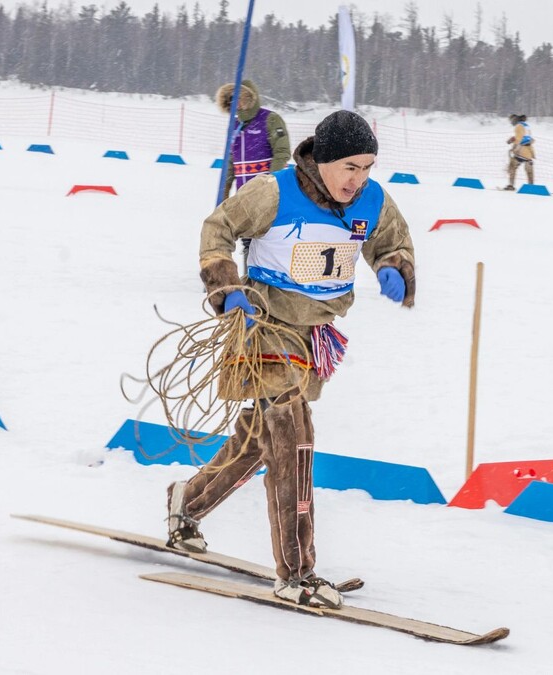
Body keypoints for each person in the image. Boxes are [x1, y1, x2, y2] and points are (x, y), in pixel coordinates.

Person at [166, 110, 416, 609]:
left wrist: (396, 268)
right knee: (292, 433)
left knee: (263, 440)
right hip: (262, 328)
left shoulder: (371, 199)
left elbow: (393, 242)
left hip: (312, 336)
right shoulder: (275, 192)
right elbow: (218, 227)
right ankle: (298, 572)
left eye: (367, 166)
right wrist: (227, 287)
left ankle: (186, 503)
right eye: (349, 166)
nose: (359, 178)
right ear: (322, 160)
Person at [216, 80, 292, 261]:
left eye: (241, 98)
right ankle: (250, 281)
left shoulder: (270, 119)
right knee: (248, 240)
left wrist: (268, 181)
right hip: (244, 195)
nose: (238, 103)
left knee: (267, 240)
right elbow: (231, 162)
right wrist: (224, 191)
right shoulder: (235, 126)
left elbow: (282, 152)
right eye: (233, 99)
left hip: (268, 193)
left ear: (251, 98)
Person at [503, 113, 535, 190]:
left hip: (520, 151)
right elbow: (526, 137)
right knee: (529, 170)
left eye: (511, 121)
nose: (511, 122)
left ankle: (511, 185)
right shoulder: (525, 125)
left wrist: (514, 148)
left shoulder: (518, 127)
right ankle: (531, 187)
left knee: (512, 167)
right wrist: (513, 139)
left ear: (514, 120)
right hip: (529, 151)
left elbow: (519, 139)